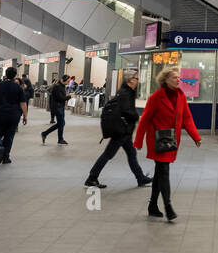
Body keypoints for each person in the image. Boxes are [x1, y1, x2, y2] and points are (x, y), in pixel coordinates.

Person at [133, 64, 201, 222]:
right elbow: (145, 120)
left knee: (159, 172)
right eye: (174, 77)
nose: (178, 80)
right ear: (165, 80)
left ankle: (152, 206)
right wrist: (138, 141)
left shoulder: (181, 96)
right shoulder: (156, 98)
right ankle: (168, 207)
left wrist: (195, 137)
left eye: (178, 77)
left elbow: (187, 118)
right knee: (164, 171)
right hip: (157, 140)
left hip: (171, 141)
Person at [84, 73, 150, 188]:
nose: (138, 81)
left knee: (131, 153)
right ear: (130, 80)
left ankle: (140, 178)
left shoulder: (126, 91)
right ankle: (92, 177)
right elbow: (126, 110)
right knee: (108, 154)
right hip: (122, 131)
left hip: (125, 130)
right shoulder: (125, 93)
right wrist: (136, 117)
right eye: (136, 78)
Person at [0, 67, 28, 164]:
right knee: (9, 136)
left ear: (5, 74)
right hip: (14, 115)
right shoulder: (19, 88)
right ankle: (6, 157)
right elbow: (23, 103)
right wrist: (25, 116)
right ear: (15, 75)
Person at [41, 75, 69, 145]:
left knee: (61, 123)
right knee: (61, 123)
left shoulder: (62, 86)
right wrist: (69, 97)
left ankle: (58, 138)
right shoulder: (57, 87)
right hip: (57, 107)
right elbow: (60, 98)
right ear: (63, 80)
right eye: (67, 81)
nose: (68, 83)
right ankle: (46, 134)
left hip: (60, 107)